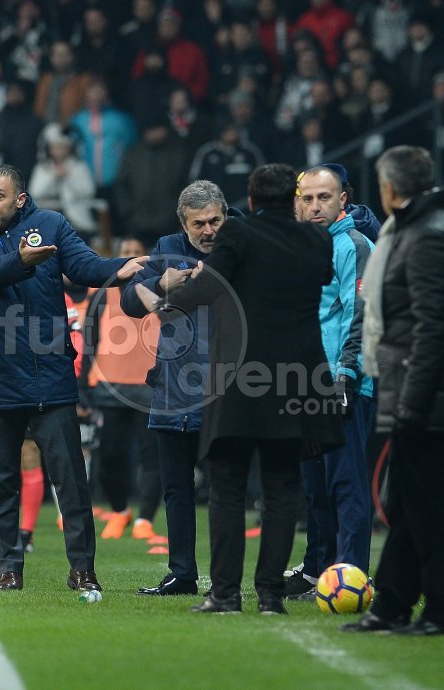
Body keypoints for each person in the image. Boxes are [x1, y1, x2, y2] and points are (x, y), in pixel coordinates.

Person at [133, 164, 344, 614]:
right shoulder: (318, 240)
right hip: (299, 376)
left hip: (242, 376)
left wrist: (168, 299)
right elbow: (323, 280)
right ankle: (270, 596)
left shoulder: (238, 238)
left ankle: (226, 594)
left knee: (227, 486)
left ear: (246, 203)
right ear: (295, 200)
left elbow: (209, 287)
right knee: (282, 488)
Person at [0, 163, 147, 593]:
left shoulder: (51, 224)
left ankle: (82, 569)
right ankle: (9, 569)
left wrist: (121, 268)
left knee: (71, 479)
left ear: (20, 199)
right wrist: (19, 260)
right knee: (1, 483)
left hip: (49, 372)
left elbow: (84, 267)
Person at [345, 145, 444, 635]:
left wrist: (412, 403)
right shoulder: (417, 228)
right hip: (416, 389)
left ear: (390, 188)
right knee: (407, 500)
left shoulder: (428, 236)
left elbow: (431, 329)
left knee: (432, 505)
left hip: (425, 395)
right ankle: (393, 604)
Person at [122, 180, 232, 596]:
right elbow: (131, 302)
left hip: (230, 385)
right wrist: (161, 286)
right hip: (174, 385)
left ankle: (226, 578)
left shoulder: (241, 240)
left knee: (227, 489)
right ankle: (182, 573)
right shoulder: (166, 247)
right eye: (199, 224)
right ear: (182, 225)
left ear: (226, 214)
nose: (209, 231)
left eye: (215, 221)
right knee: (176, 489)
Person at [286, 164, 376, 599]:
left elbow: (360, 313)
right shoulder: (305, 246)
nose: (316, 205)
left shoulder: (353, 244)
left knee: (345, 484)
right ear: (297, 203)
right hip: (305, 384)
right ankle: (322, 573)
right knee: (316, 488)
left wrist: (344, 375)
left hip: (342, 385)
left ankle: (352, 575)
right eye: (308, 198)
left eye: (325, 197)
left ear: (344, 199)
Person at [81, 237, 163, 541]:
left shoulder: (161, 287)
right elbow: (89, 339)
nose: (131, 256)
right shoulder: (101, 291)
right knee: (111, 456)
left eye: (136, 252)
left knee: (151, 457)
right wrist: (83, 383)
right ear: (118, 258)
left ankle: (145, 519)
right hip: (109, 386)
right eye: (126, 252)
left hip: (150, 386)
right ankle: (119, 510)